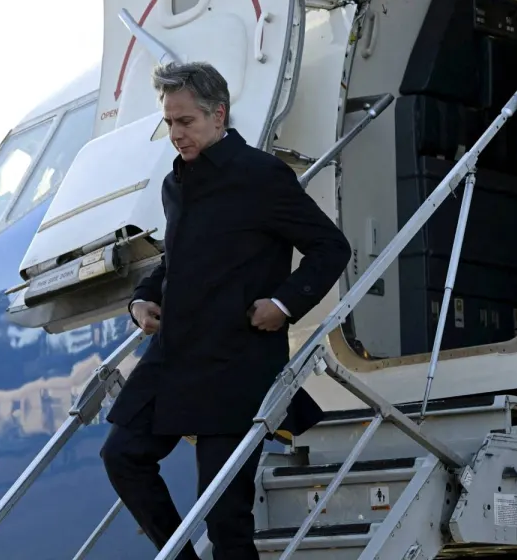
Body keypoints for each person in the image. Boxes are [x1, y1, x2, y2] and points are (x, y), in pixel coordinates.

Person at [100, 60, 352, 560]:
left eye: (185, 121)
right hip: (176, 354)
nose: (176, 134)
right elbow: (176, 260)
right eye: (169, 122)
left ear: (218, 115)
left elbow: (331, 247)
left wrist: (283, 303)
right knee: (122, 456)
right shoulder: (175, 185)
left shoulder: (262, 176)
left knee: (225, 517)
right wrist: (143, 298)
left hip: (236, 361)